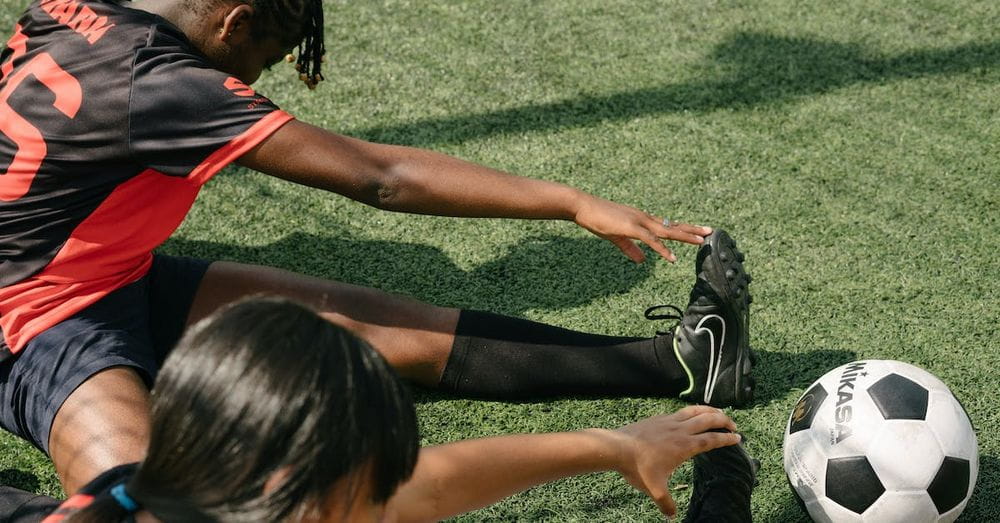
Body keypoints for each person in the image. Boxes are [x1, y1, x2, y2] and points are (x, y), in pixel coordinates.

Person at [0, 0, 755, 497]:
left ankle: (680, 362)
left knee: (377, 325)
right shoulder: (172, 88)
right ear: (234, 23)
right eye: (264, 58)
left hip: (102, 269)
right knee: (142, 506)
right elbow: (381, 177)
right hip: (32, 320)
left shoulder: (72, 9)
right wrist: (570, 200)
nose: (254, 81)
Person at [39, 297, 758, 522]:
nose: (386, 505)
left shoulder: (162, 490)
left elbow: (431, 484)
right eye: (370, 490)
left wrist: (614, 444)